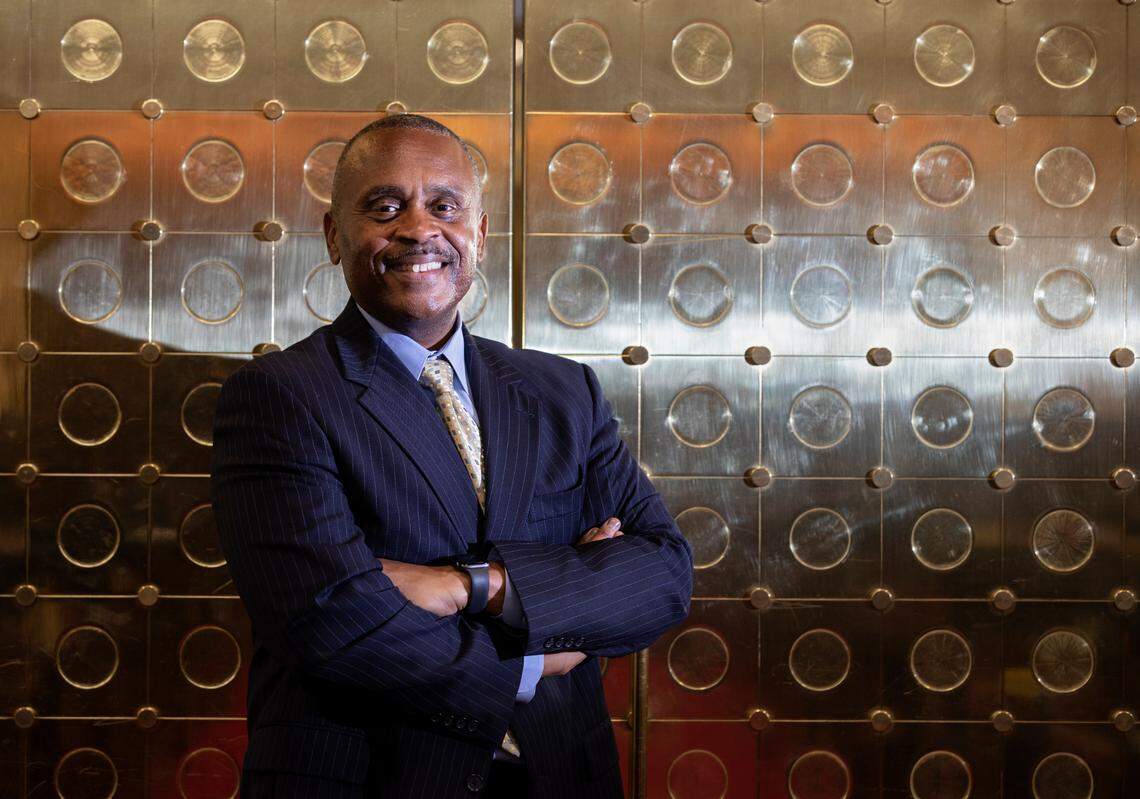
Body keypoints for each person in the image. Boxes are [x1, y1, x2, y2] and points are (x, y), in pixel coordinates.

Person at [210, 113, 693, 798]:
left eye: (445, 206)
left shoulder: (563, 390)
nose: (417, 228)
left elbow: (662, 574)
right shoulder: (279, 396)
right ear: (332, 235)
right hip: (372, 779)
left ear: (481, 236)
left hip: (561, 772)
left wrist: (479, 585)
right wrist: (534, 659)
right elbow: (334, 621)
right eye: (383, 206)